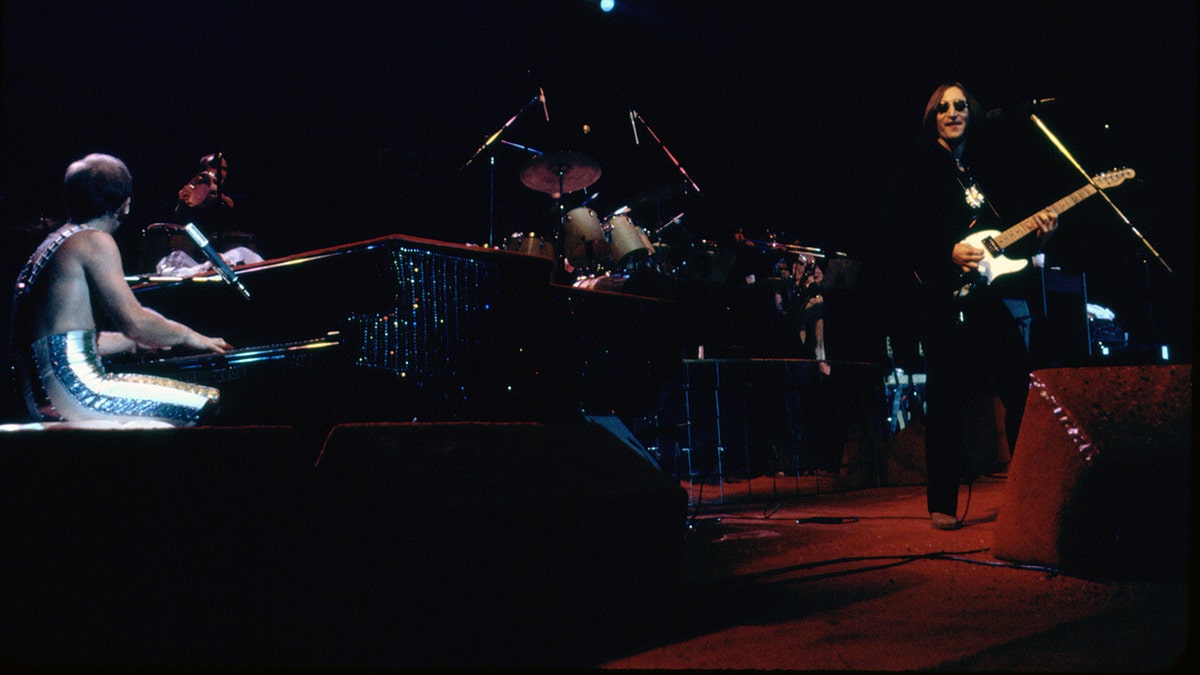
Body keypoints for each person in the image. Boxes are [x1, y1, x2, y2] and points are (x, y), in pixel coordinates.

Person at [880, 82, 1057, 529]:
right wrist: (947, 252)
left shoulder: (974, 170)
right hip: (939, 294)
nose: (952, 112)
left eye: (960, 106)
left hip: (984, 292)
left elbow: (996, 235)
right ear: (931, 116)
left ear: (970, 113)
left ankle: (1027, 487)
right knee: (946, 394)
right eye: (943, 107)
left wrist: (1037, 238)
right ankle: (942, 501)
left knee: (1019, 379)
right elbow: (896, 230)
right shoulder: (917, 163)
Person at [9, 153, 232, 425]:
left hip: (40, 396)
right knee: (211, 403)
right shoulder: (94, 241)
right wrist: (190, 336)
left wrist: (133, 343)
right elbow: (135, 321)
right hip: (78, 393)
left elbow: (65, 345)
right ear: (125, 206)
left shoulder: (51, 244)